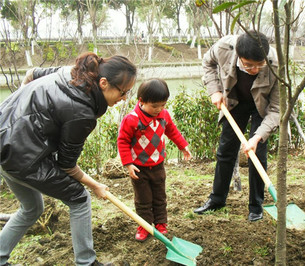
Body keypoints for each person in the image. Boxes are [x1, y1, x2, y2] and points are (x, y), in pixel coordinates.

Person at [0, 52, 137, 266]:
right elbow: (66, 165)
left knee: (32, 208)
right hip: (20, 156)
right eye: (123, 92)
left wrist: (20, 104)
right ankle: (86, 262)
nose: (124, 99)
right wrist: (95, 185)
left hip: (4, 140)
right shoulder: (82, 113)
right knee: (79, 198)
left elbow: (31, 74)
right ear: (103, 83)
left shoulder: (69, 74)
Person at [194, 30, 280, 222]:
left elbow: (276, 109)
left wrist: (257, 137)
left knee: (257, 153)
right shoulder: (225, 47)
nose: (255, 70)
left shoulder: (276, 64)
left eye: (260, 65)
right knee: (226, 150)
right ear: (239, 56)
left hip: (262, 107)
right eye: (249, 65)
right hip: (234, 101)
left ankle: (256, 206)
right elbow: (208, 63)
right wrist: (214, 90)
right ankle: (216, 200)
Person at [117, 78, 192, 241]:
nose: (159, 110)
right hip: (139, 168)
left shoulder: (163, 115)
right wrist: (128, 164)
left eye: (162, 105)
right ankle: (144, 225)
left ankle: (161, 223)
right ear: (141, 101)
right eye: (155, 106)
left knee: (159, 196)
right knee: (143, 199)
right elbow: (122, 141)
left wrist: (183, 146)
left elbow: (172, 131)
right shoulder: (132, 119)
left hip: (158, 166)